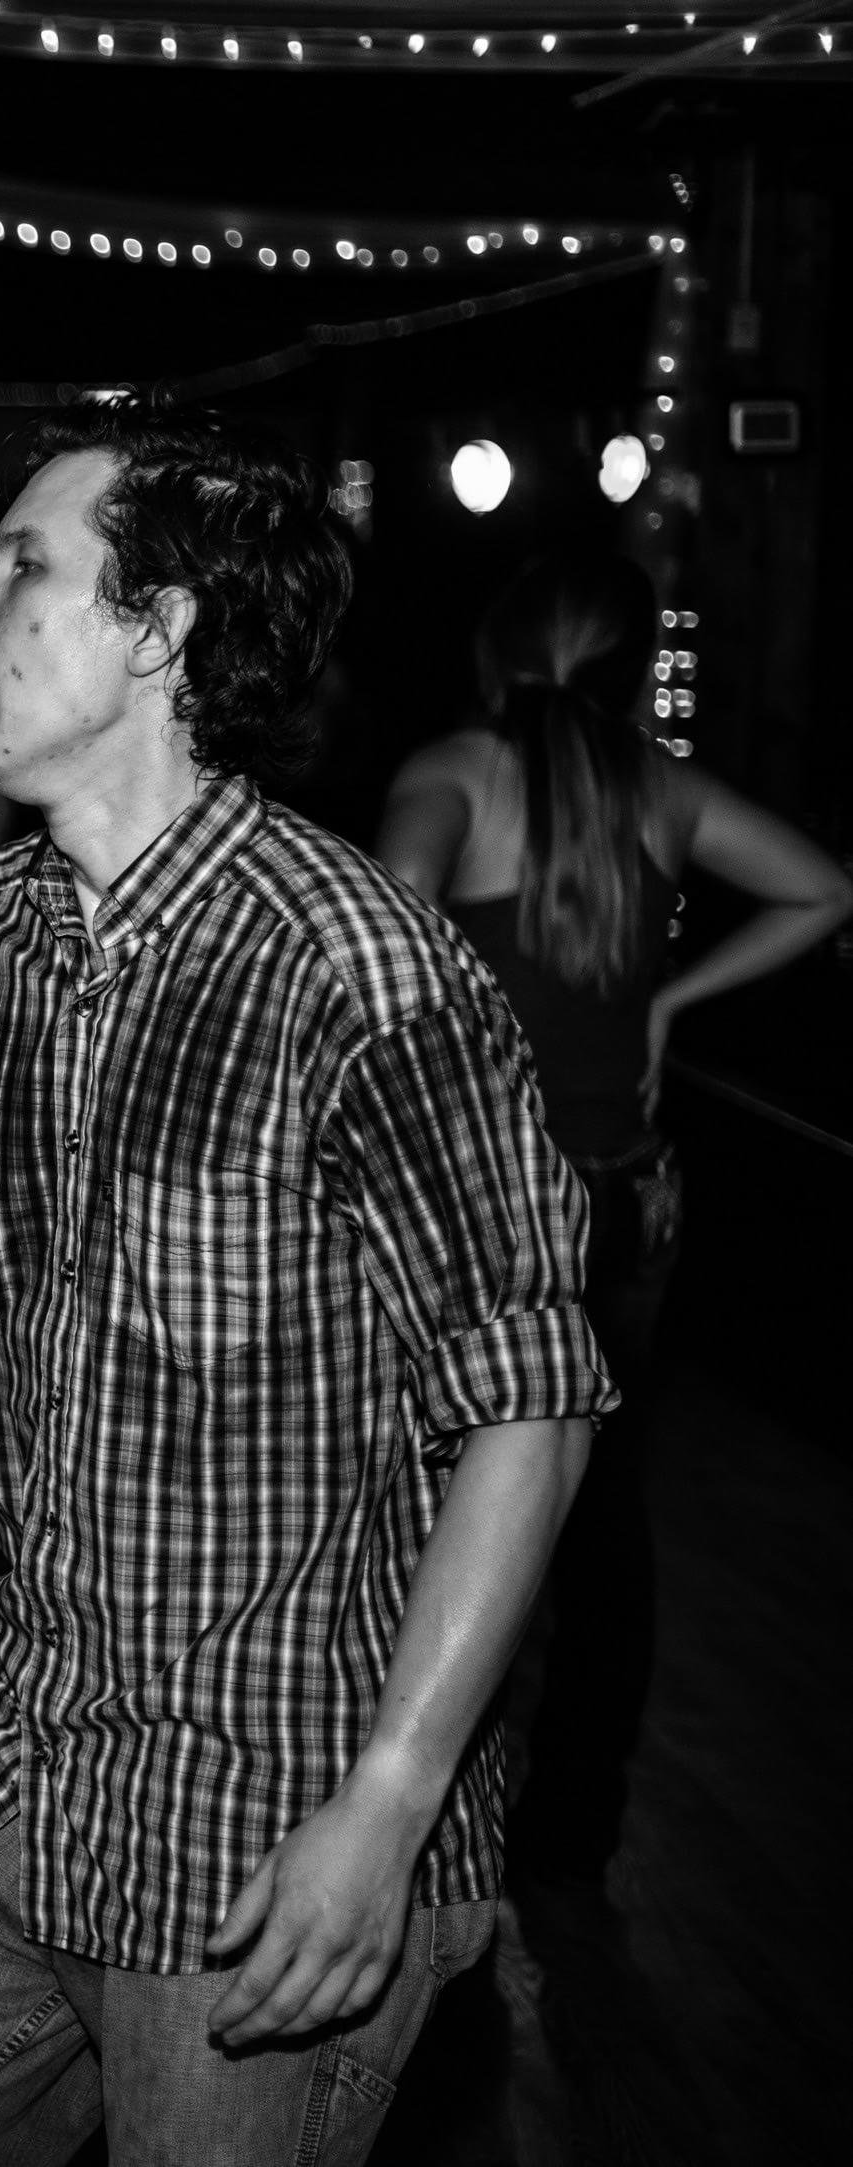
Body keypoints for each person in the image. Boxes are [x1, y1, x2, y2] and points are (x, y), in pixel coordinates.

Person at [0, 406, 612, 2165]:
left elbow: (526, 1409)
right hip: (15, 1743)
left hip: (271, 1804)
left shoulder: (358, 969)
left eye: (22, 565)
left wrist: (390, 1803)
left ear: (159, 631)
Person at [375, 553, 851, 1901]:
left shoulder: (458, 769)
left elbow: (382, 913)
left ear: (495, 653)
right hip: (620, 1199)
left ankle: (411, 1809)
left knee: (428, 1504)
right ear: (635, 669)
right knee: (597, 1518)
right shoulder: (661, 790)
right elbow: (824, 888)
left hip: (479, 1202)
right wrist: (660, 1005)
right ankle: (567, 1836)